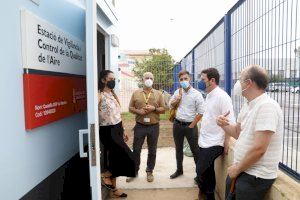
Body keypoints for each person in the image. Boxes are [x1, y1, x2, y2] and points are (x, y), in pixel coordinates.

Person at [216, 65, 283, 200]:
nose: (237, 83)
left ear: (249, 83)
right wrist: (223, 125)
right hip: (242, 169)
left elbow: (259, 149)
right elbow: (237, 132)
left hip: (256, 175)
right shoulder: (248, 105)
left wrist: (237, 169)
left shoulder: (267, 107)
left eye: (240, 79)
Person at [196, 68, 235, 200]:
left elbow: (229, 121)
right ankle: (208, 195)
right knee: (207, 170)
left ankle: (205, 194)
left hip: (216, 141)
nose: (200, 82)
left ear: (212, 80)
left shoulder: (222, 97)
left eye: (203, 79)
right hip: (204, 140)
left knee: (200, 169)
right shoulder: (209, 95)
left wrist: (227, 140)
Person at [98, 70, 136, 198]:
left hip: (117, 128)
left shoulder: (113, 95)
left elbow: (117, 115)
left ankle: (114, 189)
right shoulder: (100, 94)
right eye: (111, 78)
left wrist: (123, 130)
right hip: (107, 130)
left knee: (115, 159)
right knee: (127, 156)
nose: (113, 81)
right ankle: (106, 174)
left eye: (114, 78)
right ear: (104, 80)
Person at [127, 72, 165, 182]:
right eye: (146, 78)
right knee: (136, 150)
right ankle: (134, 171)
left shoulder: (158, 94)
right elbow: (130, 108)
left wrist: (154, 108)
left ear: (153, 80)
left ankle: (149, 171)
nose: (149, 79)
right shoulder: (136, 93)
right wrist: (138, 111)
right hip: (140, 126)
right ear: (142, 79)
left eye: (151, 78)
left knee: (152, 151)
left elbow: (163, 109)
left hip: (154, 127)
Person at [169, 70, 204, 179]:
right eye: (181, 79)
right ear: (179, 81)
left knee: (195, 151)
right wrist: (177, 99)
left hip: (190, 126)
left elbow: (201, 112)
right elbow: (170, 105)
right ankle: (179, 170)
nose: (184, 81)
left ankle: (199, 175)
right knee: (178, 149)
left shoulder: (197, 94)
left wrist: (192, 125)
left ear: (190, 79)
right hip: (177, 124)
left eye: (186, 79)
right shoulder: (177, 92)